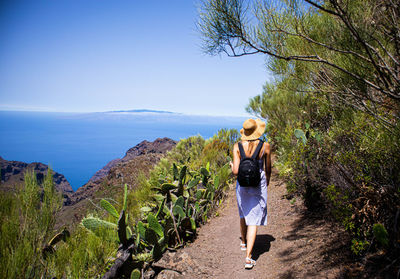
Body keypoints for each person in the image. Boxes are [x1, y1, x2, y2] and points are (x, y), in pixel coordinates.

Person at [230, 118, 271, 269]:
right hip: (257, 185)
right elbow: (268, 168)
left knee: (243, 213)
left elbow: (235, 171)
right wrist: (267, 182)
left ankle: (243, 242)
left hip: (242, 185)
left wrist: (232, 165)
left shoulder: (237, 146)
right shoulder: (265, 146)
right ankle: (248, 258)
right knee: (253, 220)